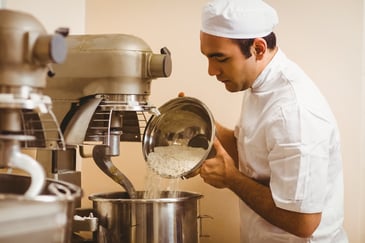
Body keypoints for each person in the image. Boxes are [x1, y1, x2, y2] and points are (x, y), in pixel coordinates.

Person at [197, 0, 348, 242]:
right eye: (207, 57)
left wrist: (231, 179)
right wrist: (202, 124)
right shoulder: (257, 83)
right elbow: (253, 156)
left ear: (258, 48)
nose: (211, 70)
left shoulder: (293, 111)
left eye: (220, 58)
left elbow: (303, 222)